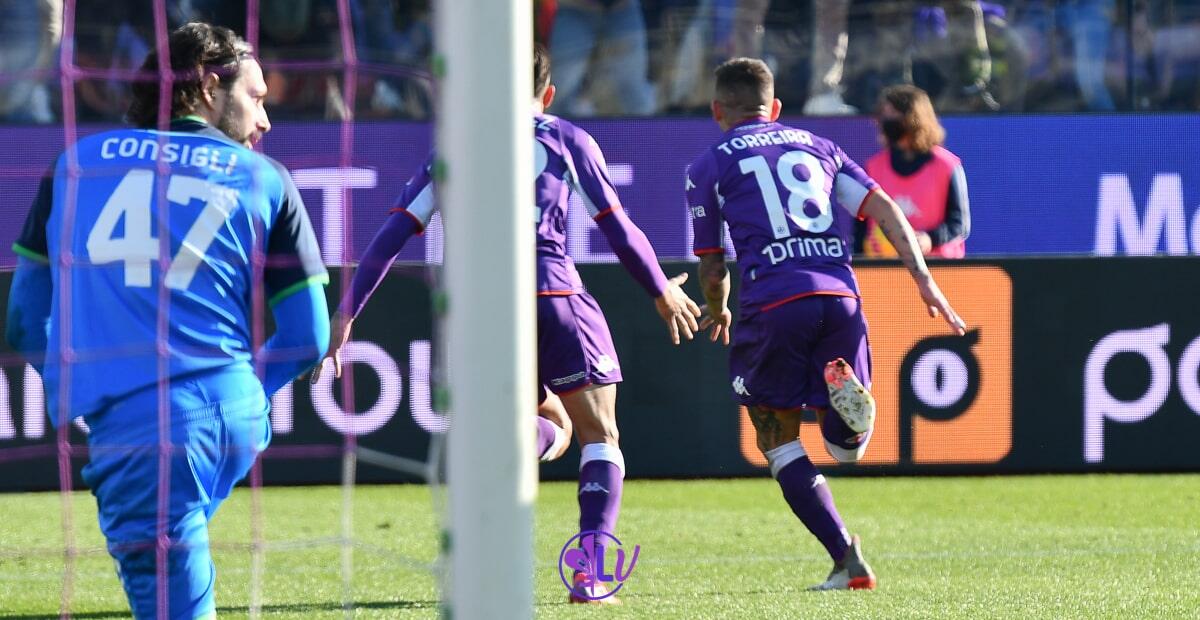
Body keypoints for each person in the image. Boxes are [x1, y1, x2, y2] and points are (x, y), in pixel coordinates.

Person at [316, 43, 700, 603]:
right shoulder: (566, 138)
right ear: (547, 93)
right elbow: (618, 226)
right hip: (554, 293)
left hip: (481, 309)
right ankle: (591, 572)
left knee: (548, 426)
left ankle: (500, 472)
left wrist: (347, 309)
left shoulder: (455, 147)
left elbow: (392, 235)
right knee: (599, 436)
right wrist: (661, 288)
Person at [6, 23, 329, 619]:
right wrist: (237, 397)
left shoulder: (75, 163)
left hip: (138, 430)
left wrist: (86, 395)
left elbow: (25, 321)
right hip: (235, 416)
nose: (266, 121)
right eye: (257, 98)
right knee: (179, 554)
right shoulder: (266, 179)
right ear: (209, 87)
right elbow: (309, 337)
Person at [686, 57, 965, 590]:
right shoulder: (819, 147)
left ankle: (845, 556)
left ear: (718, 109)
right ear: (777, 109)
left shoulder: (707, 165)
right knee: (846, 452)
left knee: (779, 442)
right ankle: (850, 418)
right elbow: (883, 207)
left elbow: (713, 262)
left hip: (772, 303)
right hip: (840, 296)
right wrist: (925, 279)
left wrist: (717, 304)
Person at [862, 84, 971, 258]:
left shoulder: (947, 165)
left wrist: (930, 239)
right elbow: (861, 225)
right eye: (884, 114)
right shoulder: (873, 167)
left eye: (894, 113)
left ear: (914, 117)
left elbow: (959, 225)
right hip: (884, 273)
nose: (887, 119)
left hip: (939, 268)